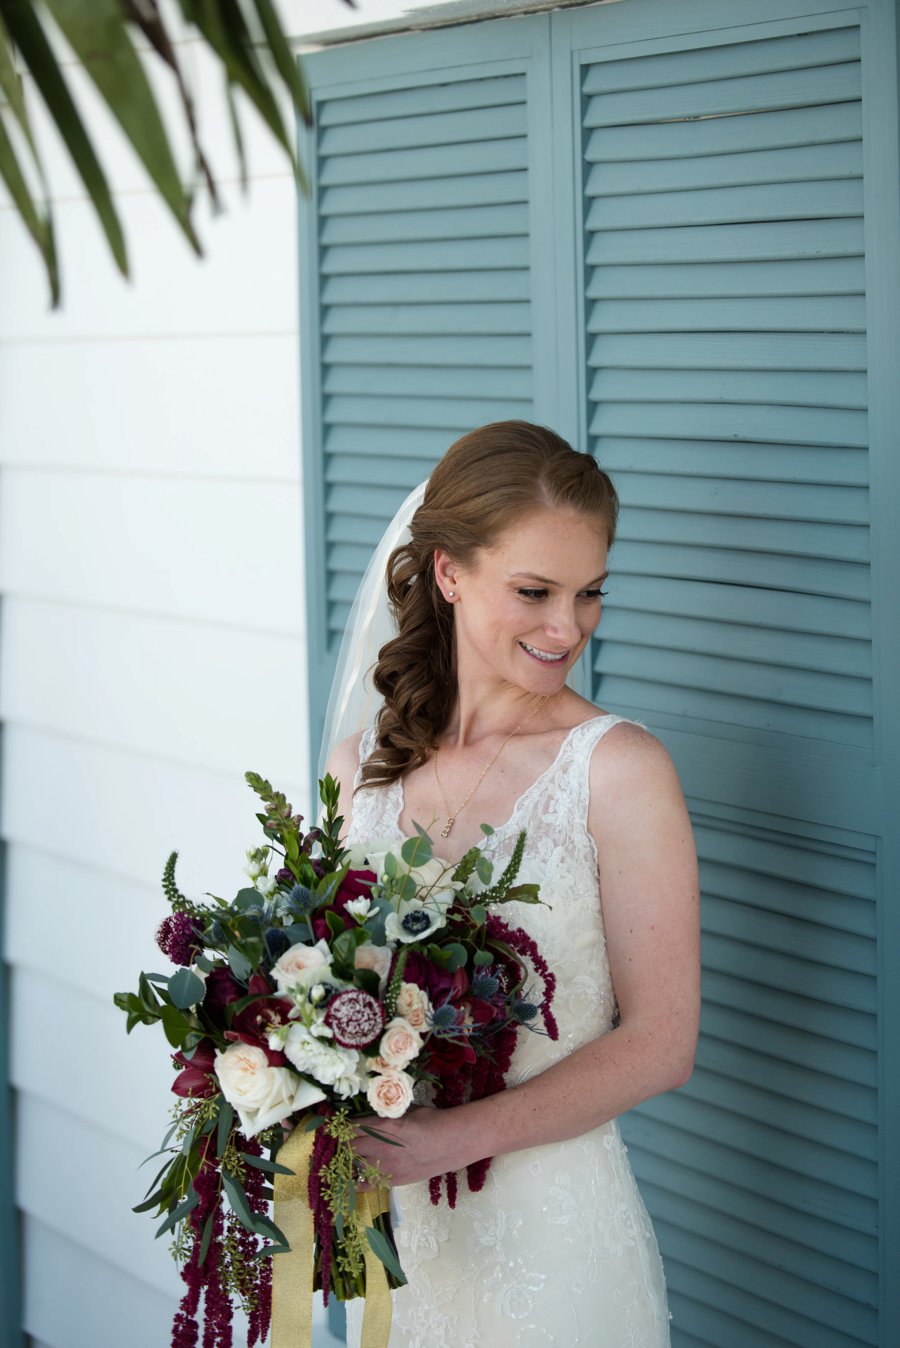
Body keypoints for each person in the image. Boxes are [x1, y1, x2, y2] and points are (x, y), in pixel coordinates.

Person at [325, 421, 700, 1346]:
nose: (566, 628)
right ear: (448, 572)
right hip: (407, 1249)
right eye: (534, 591)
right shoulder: (358, 771)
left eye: (589, 594)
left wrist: (450, 1141)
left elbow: (663, 1042)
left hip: (557, 1241)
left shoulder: (616, 769)